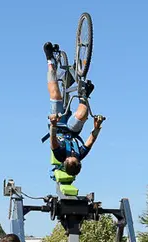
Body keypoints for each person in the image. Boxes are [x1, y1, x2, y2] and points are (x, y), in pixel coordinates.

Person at [42, 41, 105, 177]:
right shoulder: (80, 154)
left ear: (65, 161)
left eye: (70, 157)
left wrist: (53, 124)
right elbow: (90, 140)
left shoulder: (60, 155)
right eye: (74, 157)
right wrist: (97, 126)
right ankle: (84, 94)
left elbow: (53, 141)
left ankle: (50, 60)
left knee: (55, 94)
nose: (72, 154)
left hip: (58, 126)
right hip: (72, 130)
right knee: (82, 114)